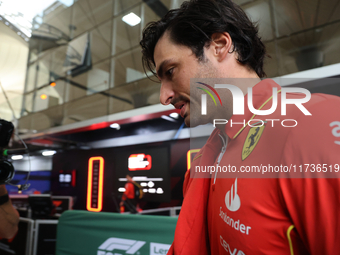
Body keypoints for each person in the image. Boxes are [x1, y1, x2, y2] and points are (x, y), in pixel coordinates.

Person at [140, 0, 340, 254]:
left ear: (220, 46)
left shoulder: (314, 125)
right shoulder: (206, 159)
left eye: (170, 71)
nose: (163, 96)